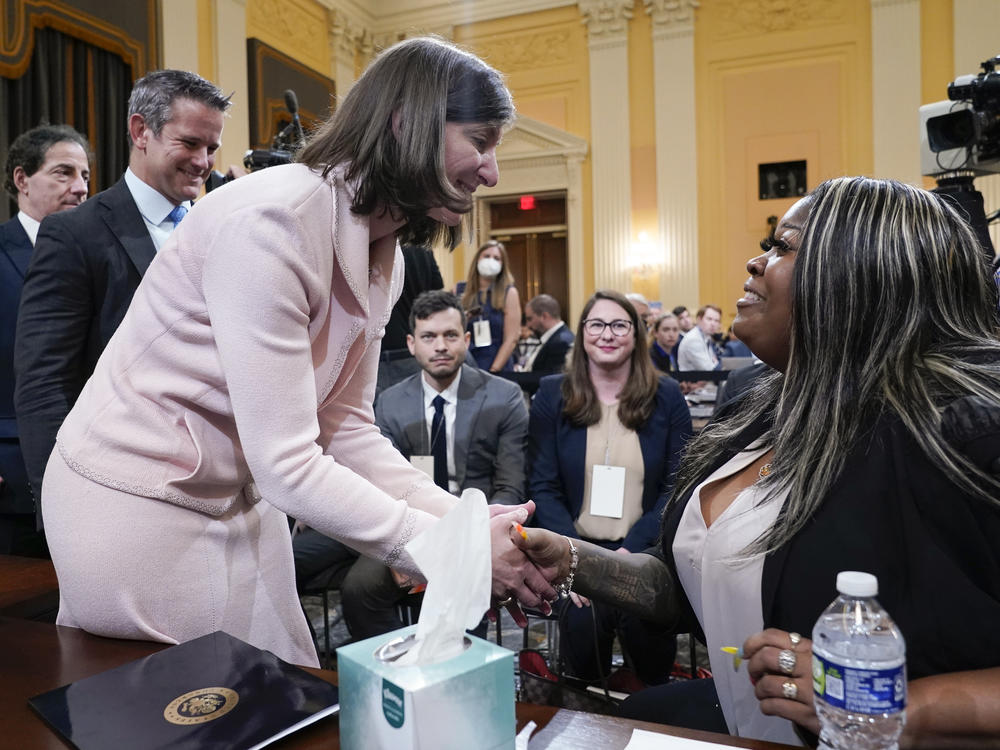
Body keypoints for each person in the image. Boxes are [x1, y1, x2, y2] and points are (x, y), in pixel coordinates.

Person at [37, 37, 555, 667]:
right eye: (480, 140)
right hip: (134, 500)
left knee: (283, 685)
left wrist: (466, 528)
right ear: (406, 124)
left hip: (237, 497)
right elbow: (287, 462)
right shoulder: (273, 222)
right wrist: (451, 549)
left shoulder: (382, 251)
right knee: (200, 710)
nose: (493, 171)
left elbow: (345, 428)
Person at [511, 177, 1000, 746]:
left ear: (857, 277)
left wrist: (891, 708)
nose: (755, 261)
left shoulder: (961, 431)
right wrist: (574, 558)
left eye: (782, 247)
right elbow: (699, 577)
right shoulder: (756, 403)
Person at [14, 70, 231, 520]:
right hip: (115, 494)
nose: (203, 161)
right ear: (140, 132)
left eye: (212, 148)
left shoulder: (226, 227)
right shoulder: (75, 233)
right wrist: (63, 503)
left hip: (224, 489)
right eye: (190, 143)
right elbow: (43, 381)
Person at [338, 290, 530, 639]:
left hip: (475, 524)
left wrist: (475, 537)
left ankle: (453, 676)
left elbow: (509, 486)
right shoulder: (391, 402)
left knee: (464, 591)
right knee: (359, 589)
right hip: (407, 522)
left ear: (467, 340)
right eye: (429, 336)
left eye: (450, 335)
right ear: (412, 344)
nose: (440, 346)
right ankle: (398, 671)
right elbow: (382, 485)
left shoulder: (504, 397)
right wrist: (409, 543)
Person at [528, 290, 693, 688]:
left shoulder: (667, 395)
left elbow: (677, 487)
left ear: (636, 335)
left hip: (645, 552)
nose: (607, 334)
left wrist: (628, 554)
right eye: (596, 324)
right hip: (575, 550)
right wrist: (576, 558)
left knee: (650, 651)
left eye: (619, 325)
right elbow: (542, 486)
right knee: (582, 657)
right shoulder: (552, 393)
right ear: (583, 332)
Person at [1, 124, 90, 556]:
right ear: (22, 180)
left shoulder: (95, 255)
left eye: (86, 176)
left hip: (92, 471)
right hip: (11, 481)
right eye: (63, 173)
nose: (80, 188)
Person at [375, 243, 444, 394]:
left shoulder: (372, 239)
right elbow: (437, 294)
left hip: (375, 353)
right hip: (412, 351)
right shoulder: (423, 247)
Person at [457, 239, 520, 372]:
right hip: (466, 362)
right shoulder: (459, 290)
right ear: (477, 259)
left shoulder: (509, 293)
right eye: (487, 256)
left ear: (503, 265)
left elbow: (511, 339)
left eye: (497, 258)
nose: (491, 261)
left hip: (497, 364)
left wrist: (493, 370)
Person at [522, 293, 574, 374]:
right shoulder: (555, 339)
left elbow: (551, 381)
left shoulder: (561, 343)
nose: (528, 325)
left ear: (544, 316)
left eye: (530, 319)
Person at [677, 304, 722, 371]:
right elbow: (709, 370)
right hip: (692, 380)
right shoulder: (693, 339)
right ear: (699, 319)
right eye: (709, 319)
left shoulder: (706, 336)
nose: (713, 324)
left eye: (716, 321)